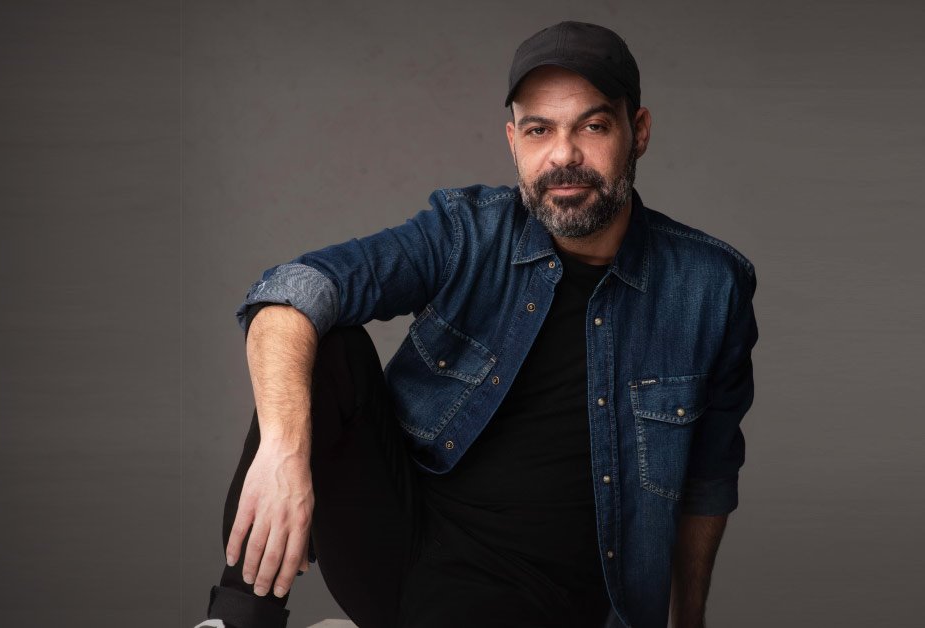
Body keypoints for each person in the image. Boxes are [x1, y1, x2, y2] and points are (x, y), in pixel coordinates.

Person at [195, 20, 758, 628]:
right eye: (539, 130)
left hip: (543, 603)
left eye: (592, 126)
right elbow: (292, 293)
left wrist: (688, 620)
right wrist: (283, 452)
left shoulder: (709, 286)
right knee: (325, 345)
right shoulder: (466, 231)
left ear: (637, 131)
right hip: (399, 553)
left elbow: (708, 478)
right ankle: (238, 622)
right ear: (513, 141)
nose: (564, 156)